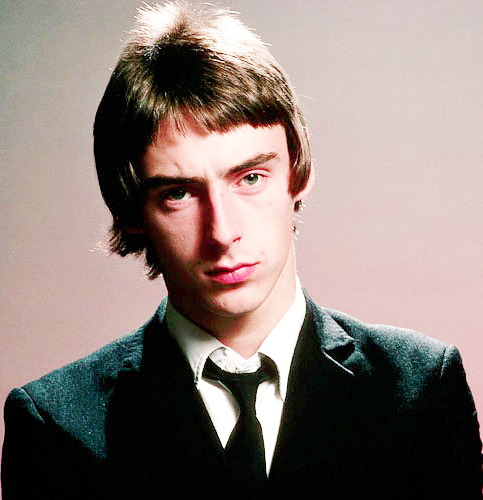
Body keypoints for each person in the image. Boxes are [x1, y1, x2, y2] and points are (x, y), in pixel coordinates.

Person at [2, 2, 482, 499]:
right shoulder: (55, 425)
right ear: (128, 210)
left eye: (250, 178)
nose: (222, 232)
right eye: (178, 193)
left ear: (299, 169)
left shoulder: (421, 389)